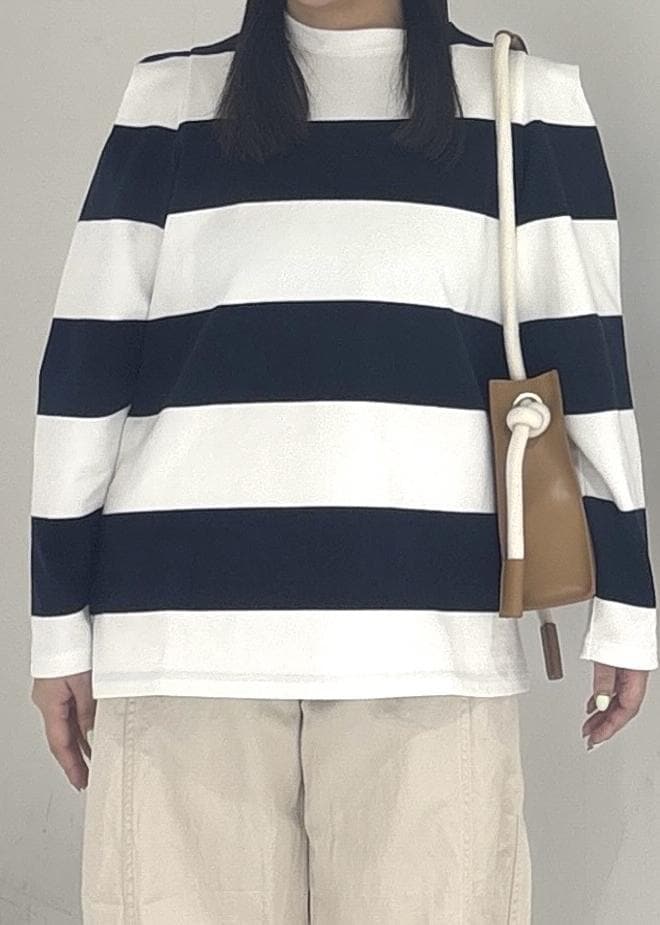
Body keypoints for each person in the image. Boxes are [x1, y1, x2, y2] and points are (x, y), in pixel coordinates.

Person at [29, 1, 657, 922]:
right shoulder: (171, 101)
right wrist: (57, 632)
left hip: (430, 652)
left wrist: (627, 608)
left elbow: (588, 365)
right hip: (183, 658)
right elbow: (85, 377)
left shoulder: (522, 103)